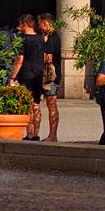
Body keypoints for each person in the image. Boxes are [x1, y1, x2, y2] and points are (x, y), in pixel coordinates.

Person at [8, 15, 47, 140]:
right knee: (36, 104)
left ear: (25, 24)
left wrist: (12, 77)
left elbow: (19, 59)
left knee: (28, 104)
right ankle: (36, 132)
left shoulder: (22, 39)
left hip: (26, 73)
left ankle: (30, 133)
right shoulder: (40, 39)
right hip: (38, 73)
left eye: (20, 24)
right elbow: (45, 56)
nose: (19, 27)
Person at [36, 13, 62, 141]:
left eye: (40, 24)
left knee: (51, 104)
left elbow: (48, 57)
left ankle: (53, 135)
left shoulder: (53, 38)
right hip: (44, 75)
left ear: (46, 24)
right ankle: (38, 133)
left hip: (50, 76)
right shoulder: (46, 37)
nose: (38, 26)